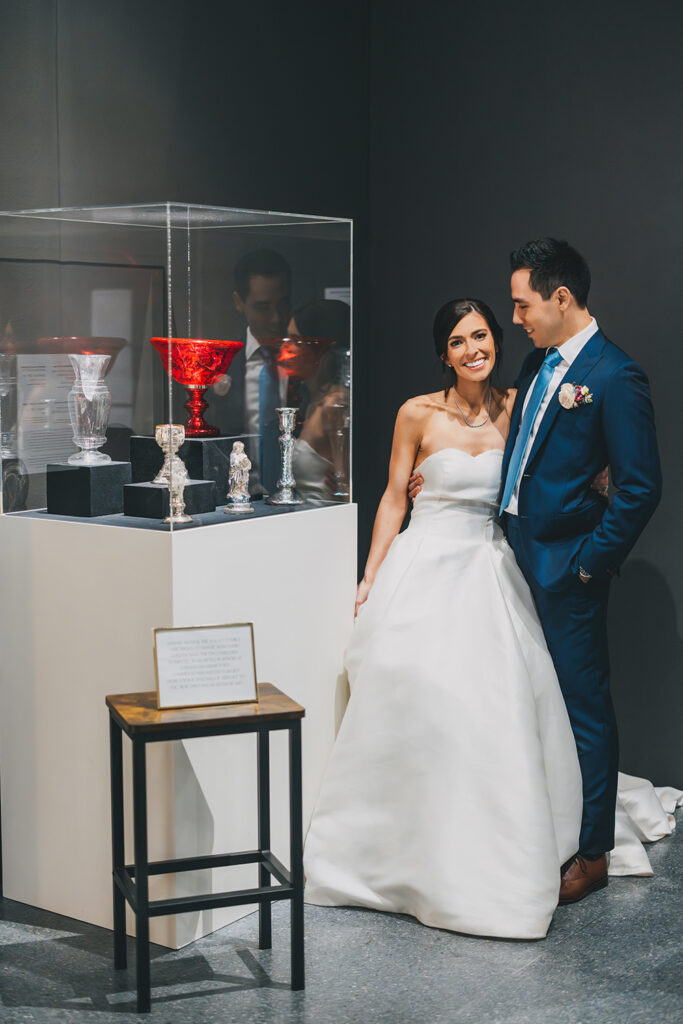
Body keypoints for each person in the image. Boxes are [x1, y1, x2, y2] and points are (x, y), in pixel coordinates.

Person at [304, 298, 586, 939]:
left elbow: (549, 477)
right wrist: (371, 574)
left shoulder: (519, 409)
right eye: (458, 341)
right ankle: (395, 851)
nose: (472, 349)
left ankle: (493, 849)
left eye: (481, 335)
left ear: (496, 341)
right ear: (443, 353)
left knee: (493, 706)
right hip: (424, 563)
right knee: (414, 694)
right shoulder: (417, 413)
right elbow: (391, 497)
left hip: (488, 567)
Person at [406, 240, 663, 904]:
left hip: (565, 568)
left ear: (560, 298)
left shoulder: (612, 375)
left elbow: (638, 488)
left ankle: (593, 850)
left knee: (582, 706)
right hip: (507, 556)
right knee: (525, 701)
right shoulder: (534, 363)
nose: (514, 316)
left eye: (521, 303)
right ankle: (532, 823)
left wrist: (587, 567)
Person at [214, 249, 292, 494]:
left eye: (282, 305)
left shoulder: (306, 362)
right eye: (263, 307)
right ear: (239, 302)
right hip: (236, 494)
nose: (275, 318)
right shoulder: (222, 363)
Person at [281, 299, 351, 504]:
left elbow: (346, 490)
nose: (286, 348)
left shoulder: (335, 406)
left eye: (295, 339)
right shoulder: (312, 402)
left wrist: (344, 485)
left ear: (322, 349)